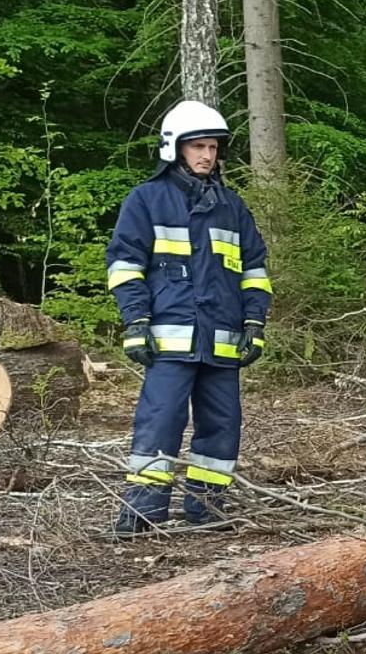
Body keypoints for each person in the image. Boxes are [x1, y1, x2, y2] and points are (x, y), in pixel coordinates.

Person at [106, 99, 271, 534]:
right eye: (198, 146)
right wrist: (136, 322)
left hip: (222, 339)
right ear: (174, 148)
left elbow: (254, 270)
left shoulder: (232, 207)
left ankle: (207, 510)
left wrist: (254, 323)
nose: (207, 155)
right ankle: (142, 512)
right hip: (169, 341)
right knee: (159, 423)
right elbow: (124, 266)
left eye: (213, 147)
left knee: (222, 428)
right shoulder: (146, 200)